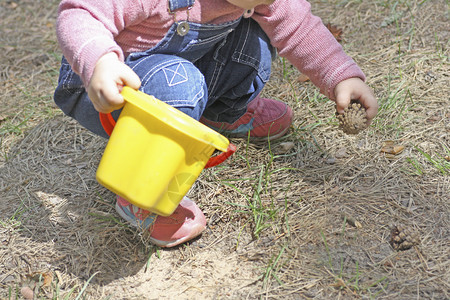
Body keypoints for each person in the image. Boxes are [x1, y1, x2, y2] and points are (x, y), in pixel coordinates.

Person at [54, 0, 378, 247]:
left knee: (255, 42)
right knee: (181, 84)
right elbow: (80, 12)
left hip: (177, 71)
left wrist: (341, 78)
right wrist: (100, 61)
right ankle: (140, 193)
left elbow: (298, 27)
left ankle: (216, 116)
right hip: (108, 90)